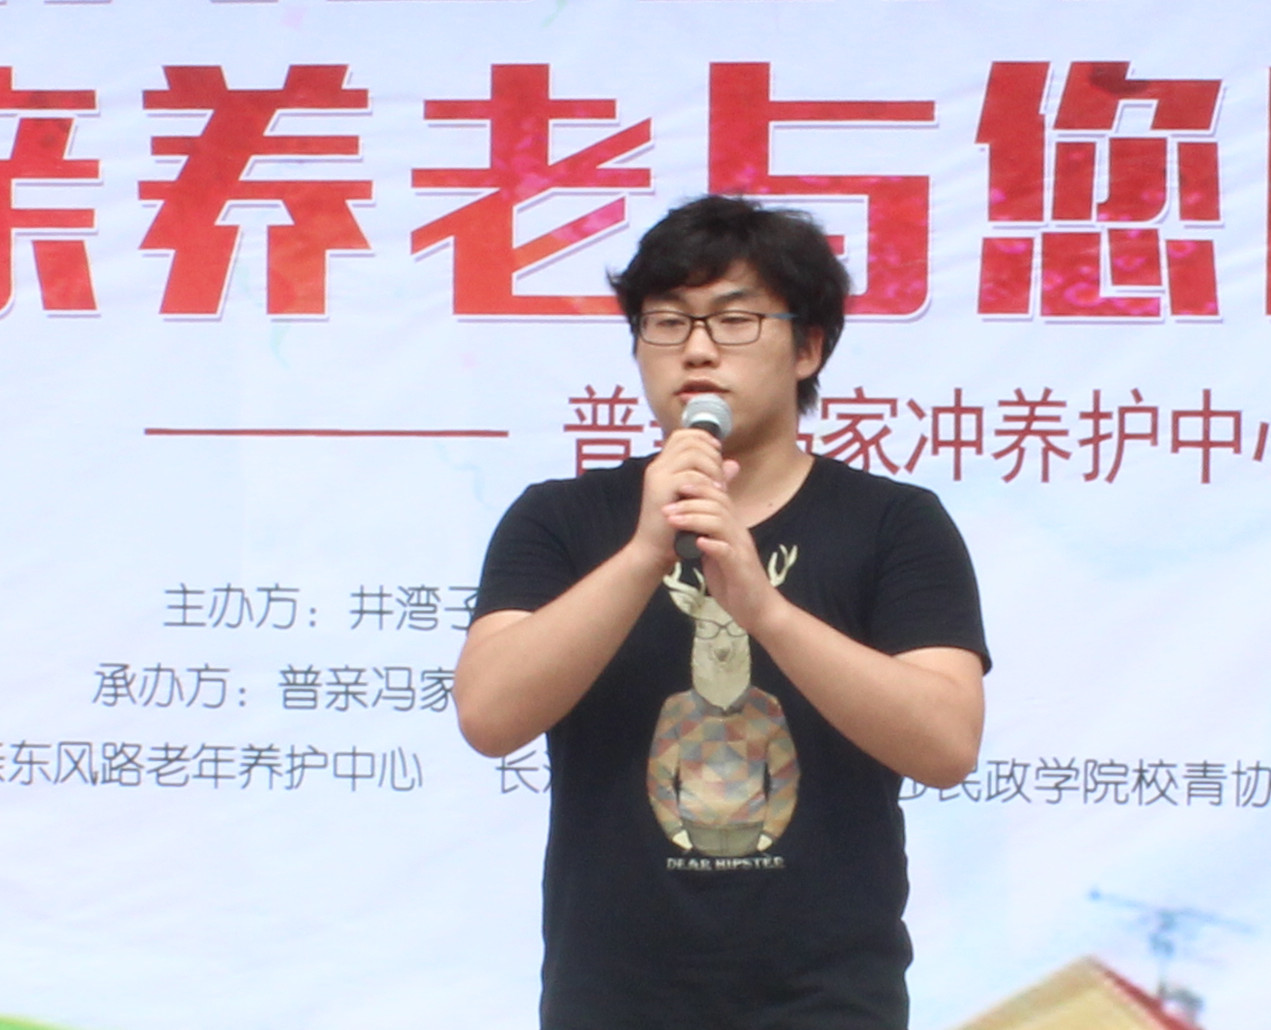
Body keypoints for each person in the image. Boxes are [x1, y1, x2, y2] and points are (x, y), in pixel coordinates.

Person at [454, 194, 990, 1029]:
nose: (696, 349)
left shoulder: (894, 522)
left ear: (808, 347)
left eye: (734, 321)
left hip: (827, 1002)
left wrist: (764, 610)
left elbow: (946, 744)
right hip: (610, 1001)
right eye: (666, 322)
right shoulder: (559, 518)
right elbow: (489, 716)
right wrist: (644, 553)